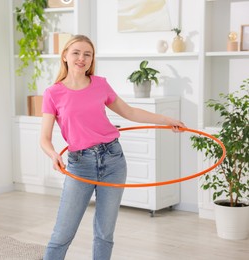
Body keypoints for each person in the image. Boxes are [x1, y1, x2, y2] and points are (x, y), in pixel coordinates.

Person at [40, 35, 185, 260]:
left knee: (105, 233)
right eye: (76, 52)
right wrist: (53, 155)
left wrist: (167, 120)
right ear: (65, 56)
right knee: (62, 233)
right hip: (80, 165)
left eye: (87, 54)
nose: (82, 58)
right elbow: (45, 138)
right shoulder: (53, 93)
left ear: (92, 59)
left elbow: (131, 112)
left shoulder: (100, 84)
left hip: (113, 159)